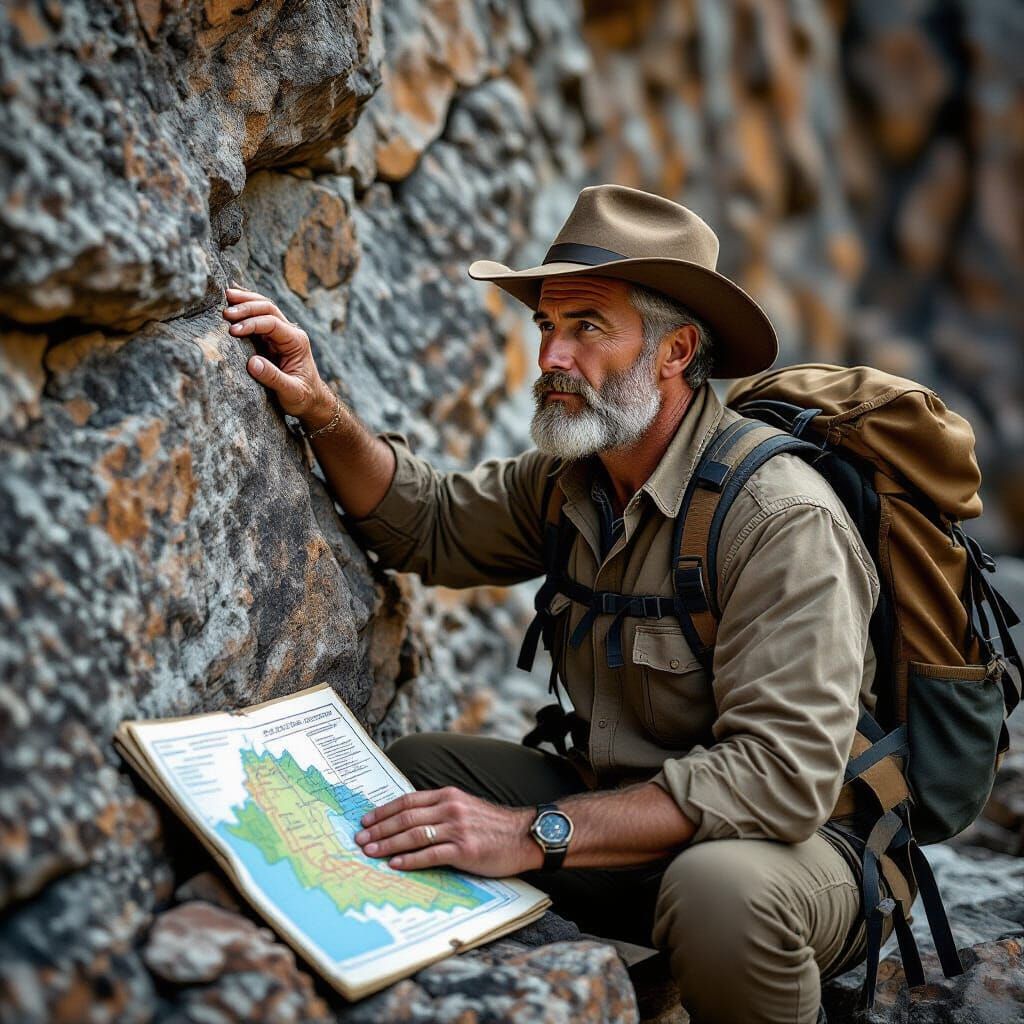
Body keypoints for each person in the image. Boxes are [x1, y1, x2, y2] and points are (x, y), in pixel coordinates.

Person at [223, 185, 898, 1024]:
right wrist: (319, 411)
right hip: (628, 825)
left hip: (795, 852)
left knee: (721, 894)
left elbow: (780, 781)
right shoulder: (576, 478)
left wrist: (531, 834)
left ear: (675, 351)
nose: (551, 356)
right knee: (413, 781)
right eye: (547, 325)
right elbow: (425, 524)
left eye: (587, 327)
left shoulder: (779, 517)